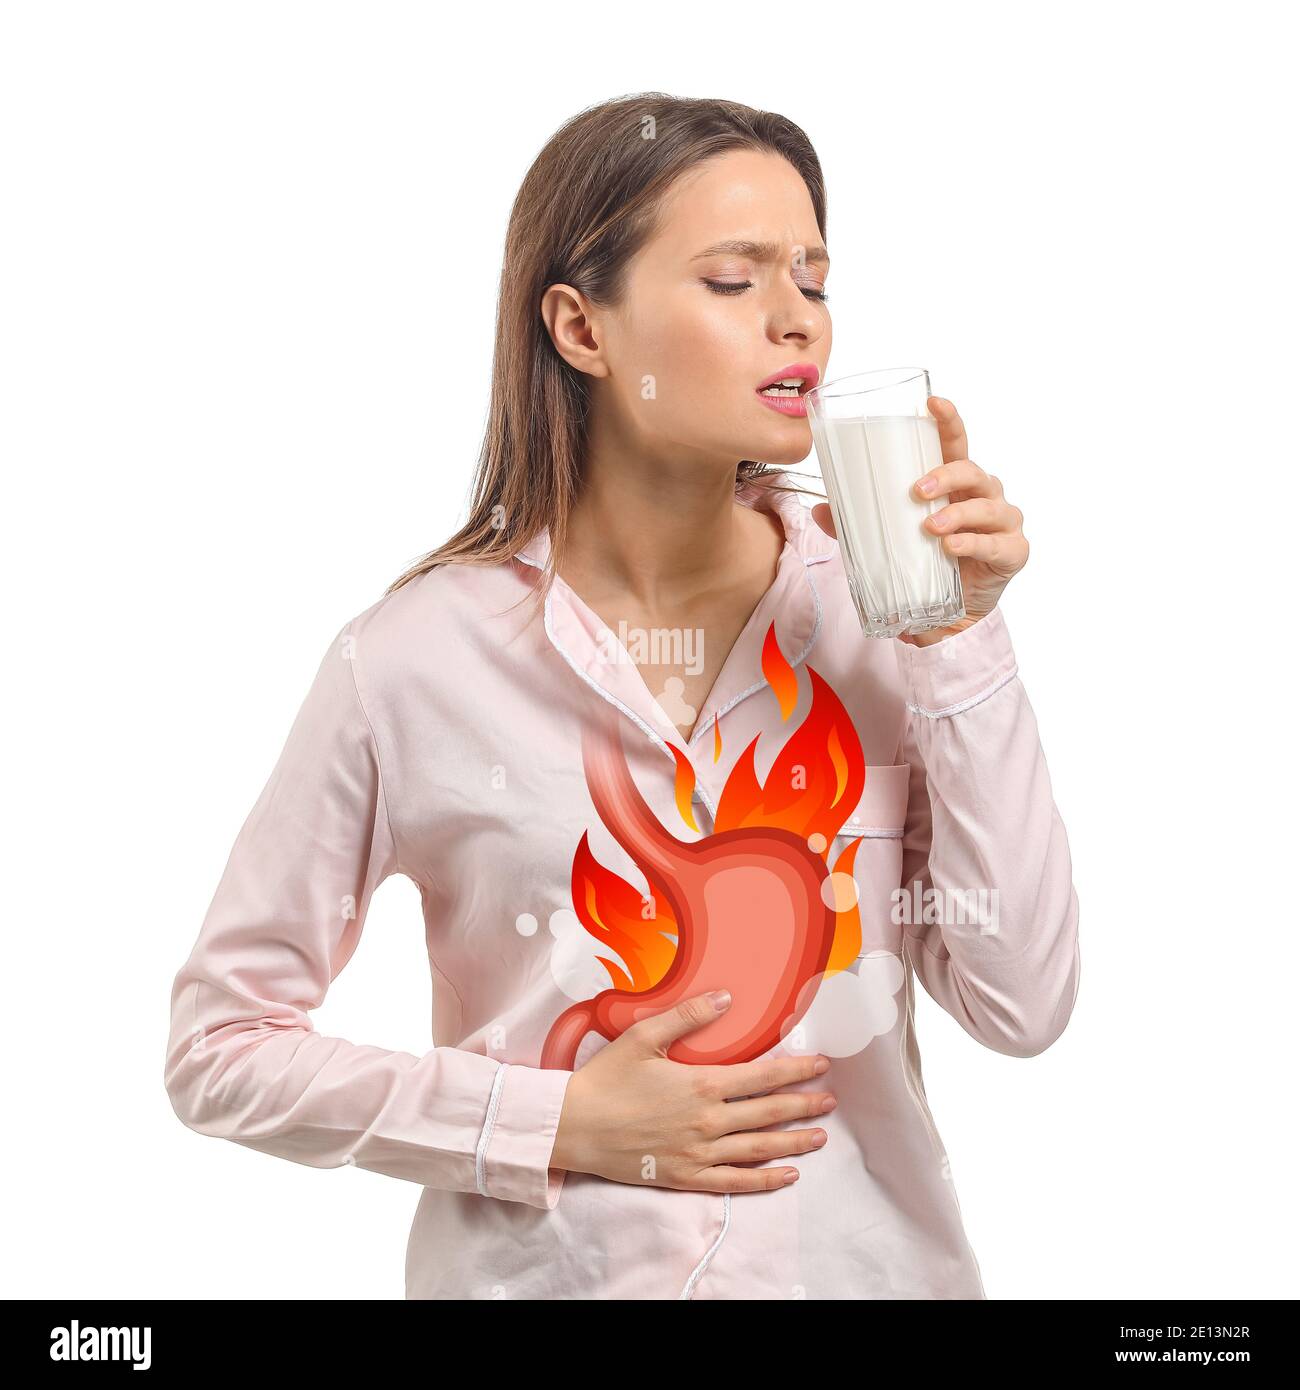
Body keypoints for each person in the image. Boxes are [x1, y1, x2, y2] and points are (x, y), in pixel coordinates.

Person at [164, 92, 1081, 1300]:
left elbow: (1022, 1002)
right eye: (732, 279)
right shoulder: (410, 662)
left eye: (811, 276)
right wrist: (548, 1121)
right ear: (581, 328)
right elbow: (220, 1049)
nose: (795, 319)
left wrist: (963, 638)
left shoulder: (889, 614)